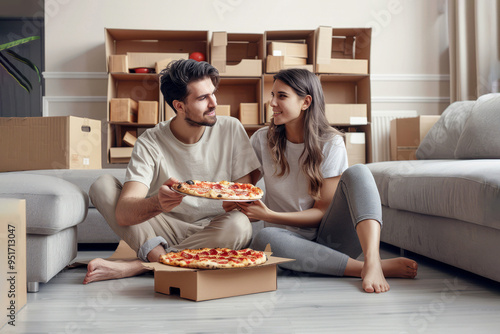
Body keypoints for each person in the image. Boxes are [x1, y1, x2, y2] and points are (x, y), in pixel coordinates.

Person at [231, 68, 418, 293]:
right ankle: (362, 268)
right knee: (264, 238)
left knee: (359, 172)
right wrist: (232, 199)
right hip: (287, 242)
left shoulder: (330, 143)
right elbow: (241, 189)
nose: (271, 102)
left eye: (281, 96)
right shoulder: (262, 139)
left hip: (331, 239)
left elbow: (321, 213)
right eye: (272, 95)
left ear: (305, 102)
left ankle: (372, 259)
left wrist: (269, 215)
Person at [83, 59, 260, 284]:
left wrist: (235, 202)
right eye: (203, 98)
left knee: (239, 225)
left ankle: (143, 265)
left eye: (213, 93)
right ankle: (166, 261)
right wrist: (158, 203)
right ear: (179, 105)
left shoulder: (232, 128)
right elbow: (124, 213)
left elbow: (243, 200)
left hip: (214, 228)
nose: (214, 103)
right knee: (102, 185)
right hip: (162, 227)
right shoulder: (150, 141)